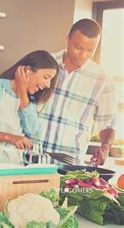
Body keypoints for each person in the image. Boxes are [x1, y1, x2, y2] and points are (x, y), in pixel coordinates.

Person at [36, 19, 116, 165]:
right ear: (68, 39)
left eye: (90, 50)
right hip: (30, 157)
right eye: (78, 47)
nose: (83, 55)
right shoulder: (44, 63)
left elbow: (107, 124)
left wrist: (105, 147)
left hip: (69, 165)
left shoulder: (103, 80)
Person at [0, 50, 58, 167]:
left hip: (10, 167)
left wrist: (23, 95)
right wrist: (9, 138)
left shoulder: (30, 101)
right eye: (46, 77)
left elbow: (34, 136)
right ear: (27, 71)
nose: (48, 85)